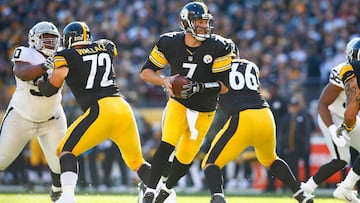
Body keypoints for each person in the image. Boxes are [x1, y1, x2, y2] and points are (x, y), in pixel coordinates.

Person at [36, 21, 151, 203]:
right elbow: (108, 50)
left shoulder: (66, 55)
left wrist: (41, 82)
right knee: (137, 162)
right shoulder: (105, 46)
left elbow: (52, 87)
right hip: (122, 107)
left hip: (100, 109)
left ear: (69, 39)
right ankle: (165, 193)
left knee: (65, 151)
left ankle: (67, 197)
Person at [139, 1, 233, 202]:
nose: (203, 26)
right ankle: (149, 190)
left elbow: (225, 86)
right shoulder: (169, 42)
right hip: (179, 103)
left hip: (205, 109)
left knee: (186, 157)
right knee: (167, 144)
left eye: (205, 22)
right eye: (198, 22)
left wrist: (200, 87)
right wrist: (164, 80)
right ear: (186, 23)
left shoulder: (219, 46)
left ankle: (166, 189)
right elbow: (146, 73)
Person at [201, 46, 314, 203]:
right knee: (271, 159)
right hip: (265, 116)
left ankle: (218, 198)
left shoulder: (217, 69)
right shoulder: (251, 66)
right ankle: (300, 193)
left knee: (210, 163)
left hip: (243, 118)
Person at [0, 21, 65, 202]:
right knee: (1, 159)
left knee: (60, 164)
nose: (51, 43)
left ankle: (58, 190)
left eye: (54, 39)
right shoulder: (25, 52)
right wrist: (46, 66)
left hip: (52, 118)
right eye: (46, 38)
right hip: (21, 117)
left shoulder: (61, 56)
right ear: (35, 39)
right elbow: (22, 73)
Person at [300, 37, 360, 202]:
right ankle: (307, 188)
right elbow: (323, 104)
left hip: (351, 117)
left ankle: (346, 188)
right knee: (342, 159)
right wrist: (333, 129)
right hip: (333, 116)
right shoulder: (344, 71)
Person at [329, 39, 360, 202]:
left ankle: (347, 187)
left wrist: (347, 125)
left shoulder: (349, 69)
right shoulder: (347, 70)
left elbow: (351, 110)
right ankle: (347, 187)